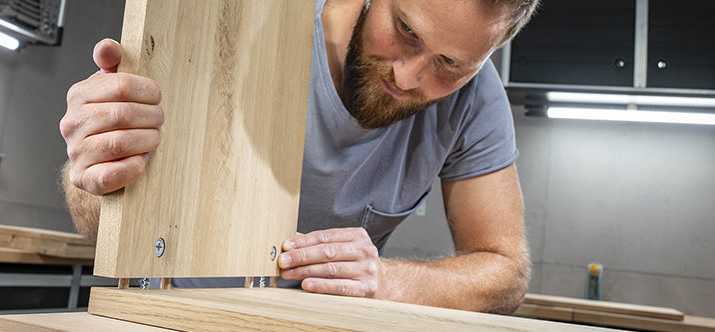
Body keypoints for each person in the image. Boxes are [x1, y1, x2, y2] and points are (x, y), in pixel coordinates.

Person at [59, 0, 540, 314]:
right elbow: (97, 224)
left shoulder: (476, 101)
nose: (408, 76)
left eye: (450, 64)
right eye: (405, 29)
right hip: (170, 311)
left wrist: (386, 281)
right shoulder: (241, 22)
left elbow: (505, 271)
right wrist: (99, 165)